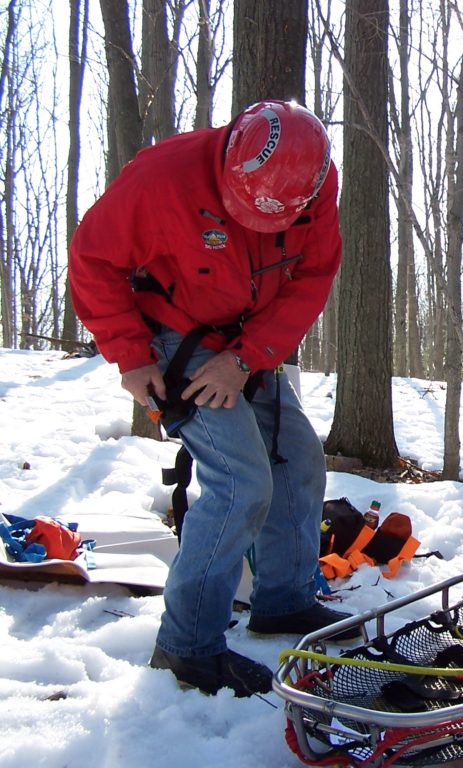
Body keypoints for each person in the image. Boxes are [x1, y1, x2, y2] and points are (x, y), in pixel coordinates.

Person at [69, 100, 347, 697]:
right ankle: (186, 647)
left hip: (250, 337)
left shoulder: (315, 185)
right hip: (177, 333)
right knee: (240, 480)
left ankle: (283, 602)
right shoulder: (161, 178)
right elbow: (92, 259)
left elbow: (312, 277)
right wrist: (131, 354)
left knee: (299, 459)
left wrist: (248, 356)